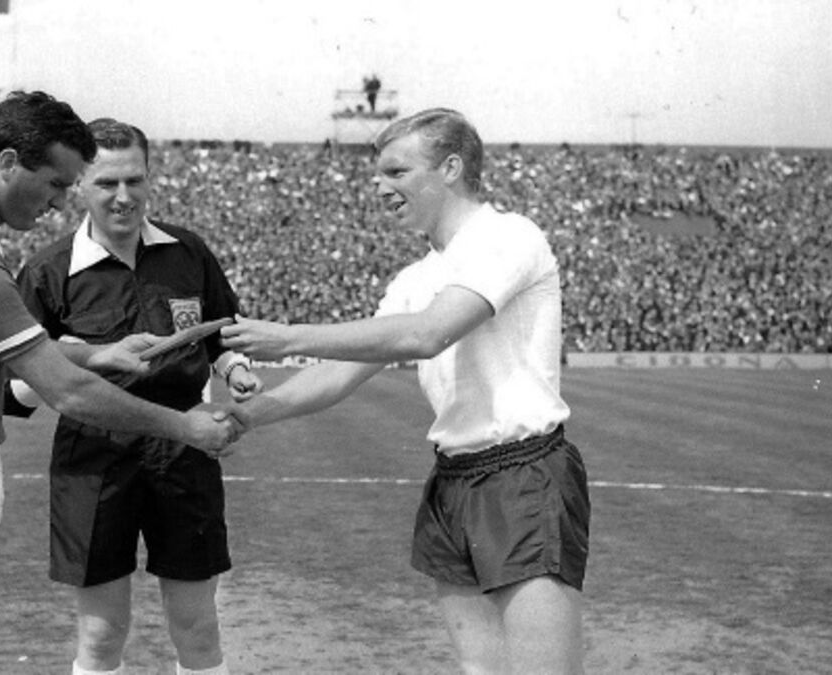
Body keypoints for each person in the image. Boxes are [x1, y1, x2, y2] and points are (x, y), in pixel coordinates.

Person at [0, 92, 241, 675]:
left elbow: (27, 353)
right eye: (58, 183)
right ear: (9, 163)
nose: (60, 201)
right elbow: (66, 391)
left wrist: (97, 352)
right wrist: (183, 426)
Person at [221, 108, 590, 674]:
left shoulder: (508, 237)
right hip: (454, 478)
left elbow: (427, 333)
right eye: (378, 174)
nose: (380, 188)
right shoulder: (416, 277)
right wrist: (248, 415)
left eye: (396, 172)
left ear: (451, 168)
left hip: (523, 474)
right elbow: (341, 372)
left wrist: (287, 336)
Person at [10, 118, 261, 675]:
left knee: (198, 626)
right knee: (102, 634)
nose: (123, 196)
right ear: (81, 184)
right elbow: (17, 382)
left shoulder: (188, 252)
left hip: (185, 447)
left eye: (134, 180)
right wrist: (83, 356)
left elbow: (221, 334)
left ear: (150, 177)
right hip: (92, 454)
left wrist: (237, 368)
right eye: (106, 183)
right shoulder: (48, 271)